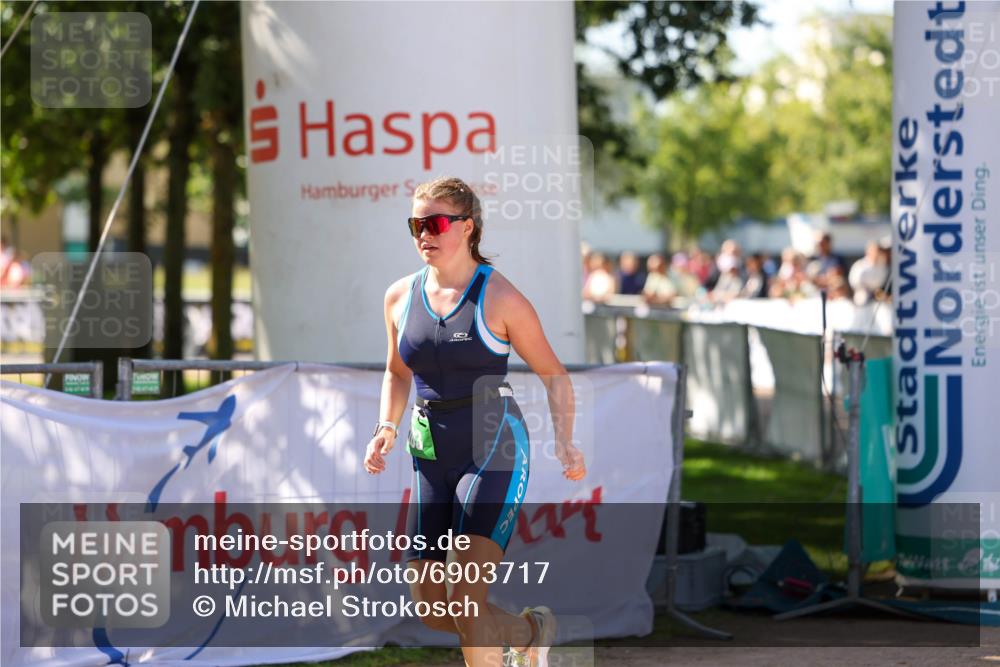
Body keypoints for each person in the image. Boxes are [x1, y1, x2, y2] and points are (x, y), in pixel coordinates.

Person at [364, 176, 587, 667]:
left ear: (467, 227)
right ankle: (531, 632)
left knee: (466, 598)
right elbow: (396, 373)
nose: (425, 234)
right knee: (431, 609)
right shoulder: (399, 296)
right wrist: (386, 427)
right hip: (430, 454)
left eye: (436, 224)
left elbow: (554, 375)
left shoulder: (500, 296)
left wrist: (565, 441)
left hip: (492, 447)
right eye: (416, 225)